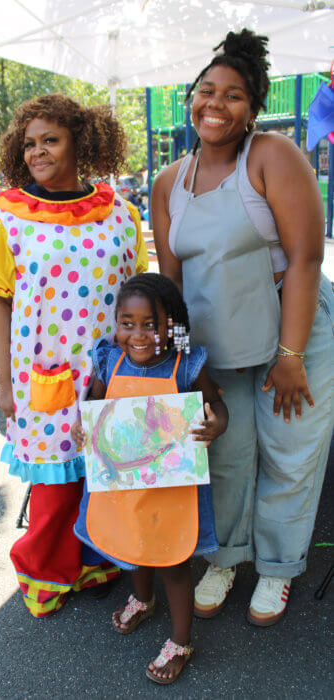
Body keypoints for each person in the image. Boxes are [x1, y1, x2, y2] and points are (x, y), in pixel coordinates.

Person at [152, 28, 334, 627]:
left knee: (289, 454)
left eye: (234, 95)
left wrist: (291, 354)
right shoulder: (166, 183)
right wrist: (180, 364)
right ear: (190, 98)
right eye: (207, 91)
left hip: (293, 326)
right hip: (217, 342)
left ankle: (278, 568)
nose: (215, 104)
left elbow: (306, 258)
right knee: (222, 452)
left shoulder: (273, 156)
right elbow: (172, 285)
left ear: (253, 109)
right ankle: (227, 558)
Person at [0, 93, 148, 618]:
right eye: (29, 144)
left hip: (115, 373)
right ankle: (44, 572)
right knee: (56, 486)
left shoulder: (120, 212)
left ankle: (97, 560)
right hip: (43, 376)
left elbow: (138, 288)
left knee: (108, 474)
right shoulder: (7, 216)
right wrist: (4, 383)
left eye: (51, 140)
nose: (38, 153)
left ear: (82, 142)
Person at [71, 273, 228, 684]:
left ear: (171, 326)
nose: (137, 335)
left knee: (172, 561)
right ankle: (142, 597)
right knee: (130, 544)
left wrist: (215, 426)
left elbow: (215, 405)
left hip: (171, 493)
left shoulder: (186, 366)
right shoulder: (110, 359)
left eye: (150, 324)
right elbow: (96, 403)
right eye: (127, 323)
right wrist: (83, 428)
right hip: (123, 486)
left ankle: (181, 640)